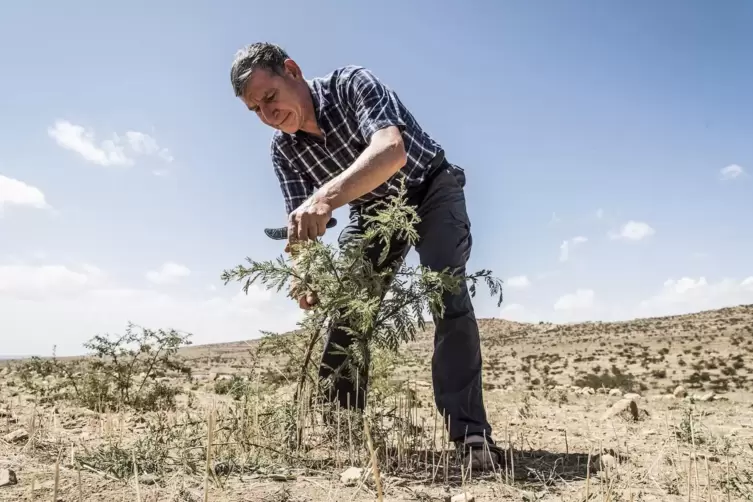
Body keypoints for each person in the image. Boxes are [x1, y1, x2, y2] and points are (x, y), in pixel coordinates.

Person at [230, 42, 503, 470]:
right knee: (349, 309)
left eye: (270, 98)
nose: (268, 114)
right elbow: (300, 226)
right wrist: (304, 273)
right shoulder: (283, 151)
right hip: (373, 212)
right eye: (255, 111)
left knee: (445, 294)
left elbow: (391, 151)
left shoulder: (351, 84)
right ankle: (344, 431)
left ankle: (471, 436)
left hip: (430, 188)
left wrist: (325, 197)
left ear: (292, 71)